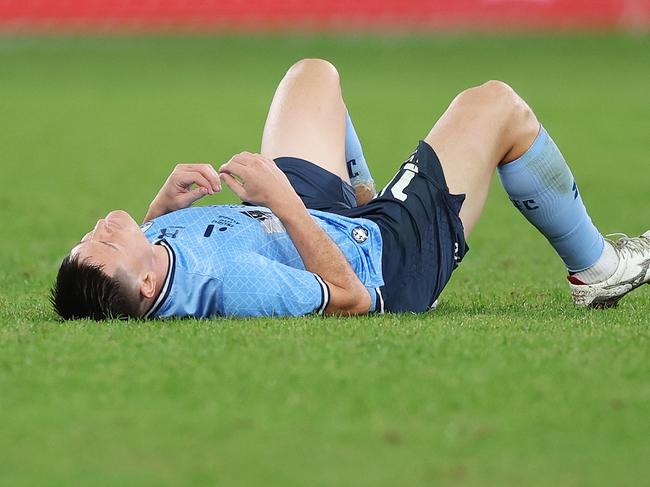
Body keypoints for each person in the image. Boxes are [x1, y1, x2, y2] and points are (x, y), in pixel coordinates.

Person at [51, 59, 649, 320]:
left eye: (83, 241)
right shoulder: (235, 284)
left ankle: (366, 204)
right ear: (150, 283)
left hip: (296, 221)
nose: (96, 230)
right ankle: (598, 269)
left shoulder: (155, 268)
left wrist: (163, 208)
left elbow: (152, 258)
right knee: (496, 106)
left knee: (313, 76)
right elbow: (351, 297)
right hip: (380, 260)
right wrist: (280, 197)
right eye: (101, 247)